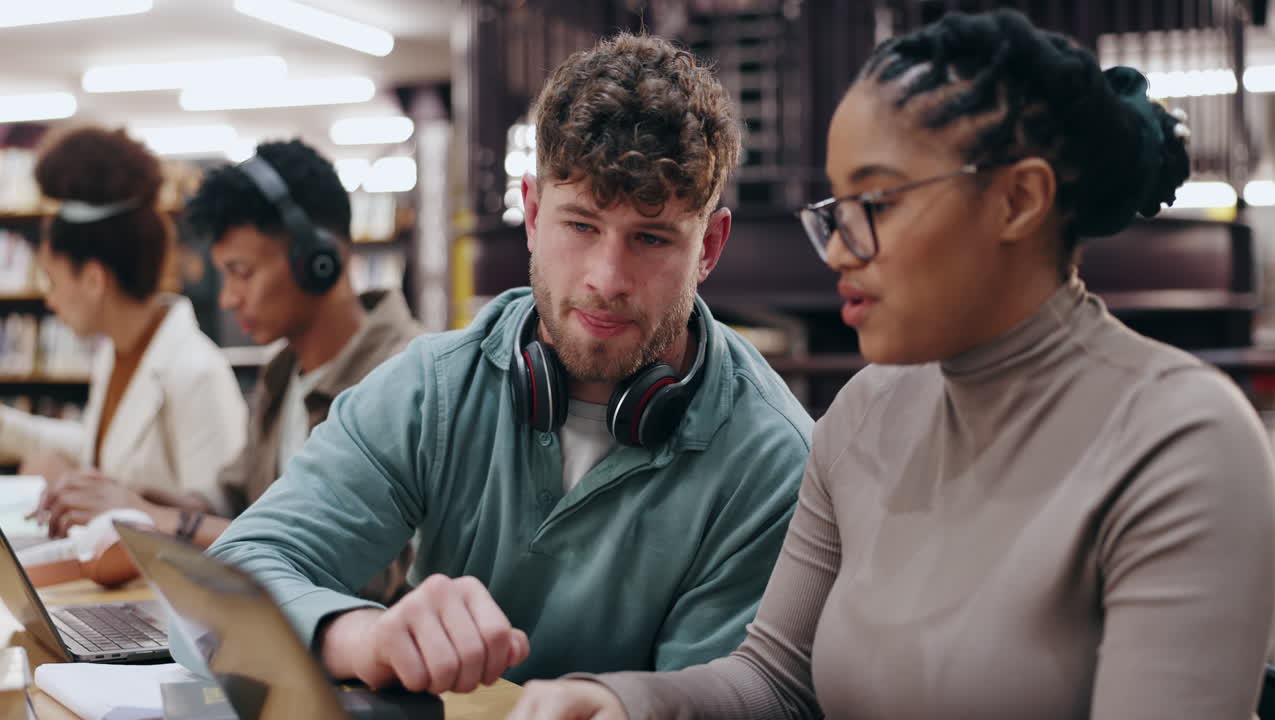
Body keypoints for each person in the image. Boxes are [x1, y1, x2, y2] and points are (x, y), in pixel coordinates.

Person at [507, 9, 1275, 720]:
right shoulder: (862, 416)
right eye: (836, 211)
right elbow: (775, 679)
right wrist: (617, 701)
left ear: (1018, 202)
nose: (841, 248)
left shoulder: (1182, 443)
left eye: (876, 204)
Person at [171, 32, 813, 693]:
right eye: (581, 225)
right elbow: (220, 596)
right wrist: (361, 637)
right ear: (532, 214)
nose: (606, 278)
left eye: (650, 239)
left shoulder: (772, 460)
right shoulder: (434, 389)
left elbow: (727, 699)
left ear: (708, 246)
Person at [36, 139, 422, 602]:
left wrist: (166, 523)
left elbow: (360, 569)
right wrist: (129, 499)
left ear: (319, 259)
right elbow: (233, 499)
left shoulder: (406, 375)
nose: (227, 298)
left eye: (241, 272)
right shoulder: (284, 373)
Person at [1, 126, 247, 534]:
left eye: (52, 279)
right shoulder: (118, 353)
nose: (50, 299)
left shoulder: (195, 372)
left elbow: (222, 525)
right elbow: (106, 452)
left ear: (94, 280)